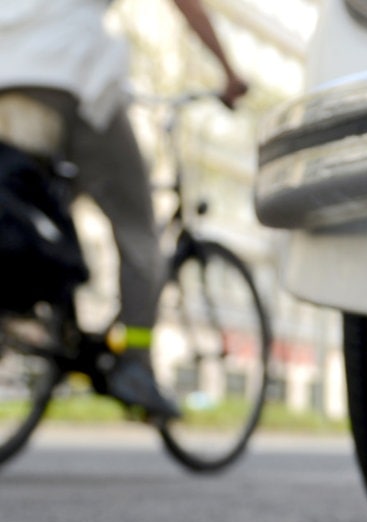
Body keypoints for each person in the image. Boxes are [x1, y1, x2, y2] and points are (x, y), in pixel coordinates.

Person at [0, 0, 247, 422]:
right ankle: (135, 363)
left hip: (7, 69)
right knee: (138, 227)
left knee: (33, 204)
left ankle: (55, 320)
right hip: (68, 70)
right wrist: (229, 72)